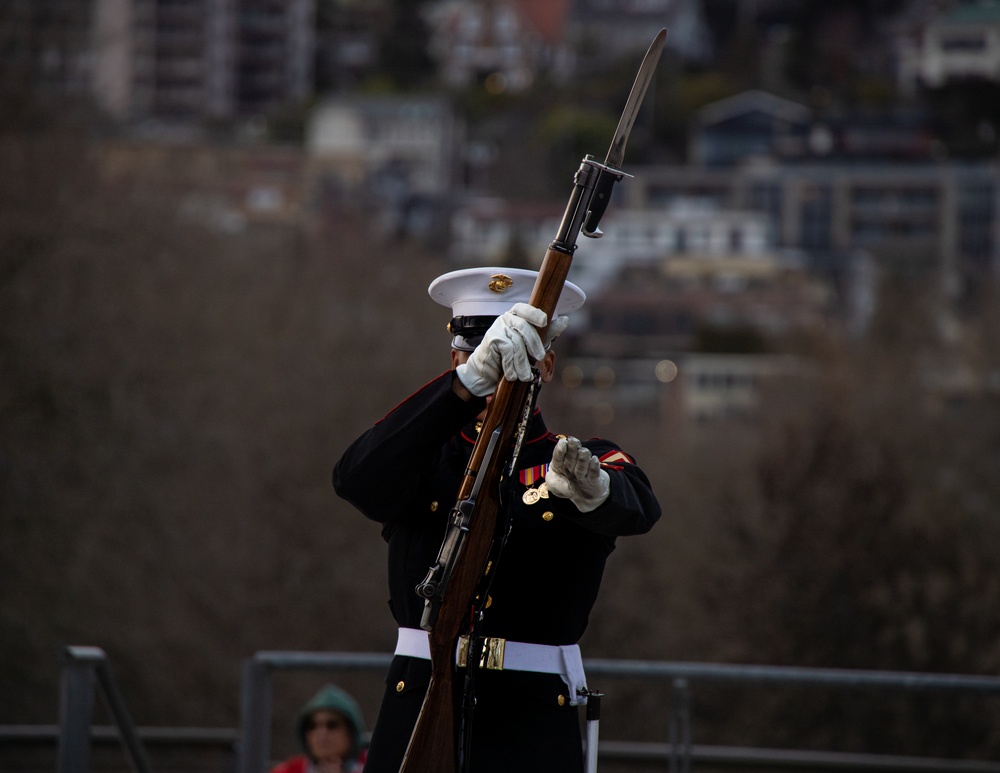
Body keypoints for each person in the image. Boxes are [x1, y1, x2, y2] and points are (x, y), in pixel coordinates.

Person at [333, 267, 661, 773]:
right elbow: (355, 477)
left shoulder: (572, 460)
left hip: (528, 720)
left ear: (546, 365)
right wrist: (460, 390)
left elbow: (638, 504)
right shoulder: (424, 457)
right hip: (419, 702)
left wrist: (595, 493)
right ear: (457, 359)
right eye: (480, 358)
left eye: (513, 361)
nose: (498, 377)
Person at [269, 683, 368, 773]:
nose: (321, 732)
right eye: (312, 726)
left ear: (351, 731)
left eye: (332, 725)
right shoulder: (288, 770)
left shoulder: (375, 765)